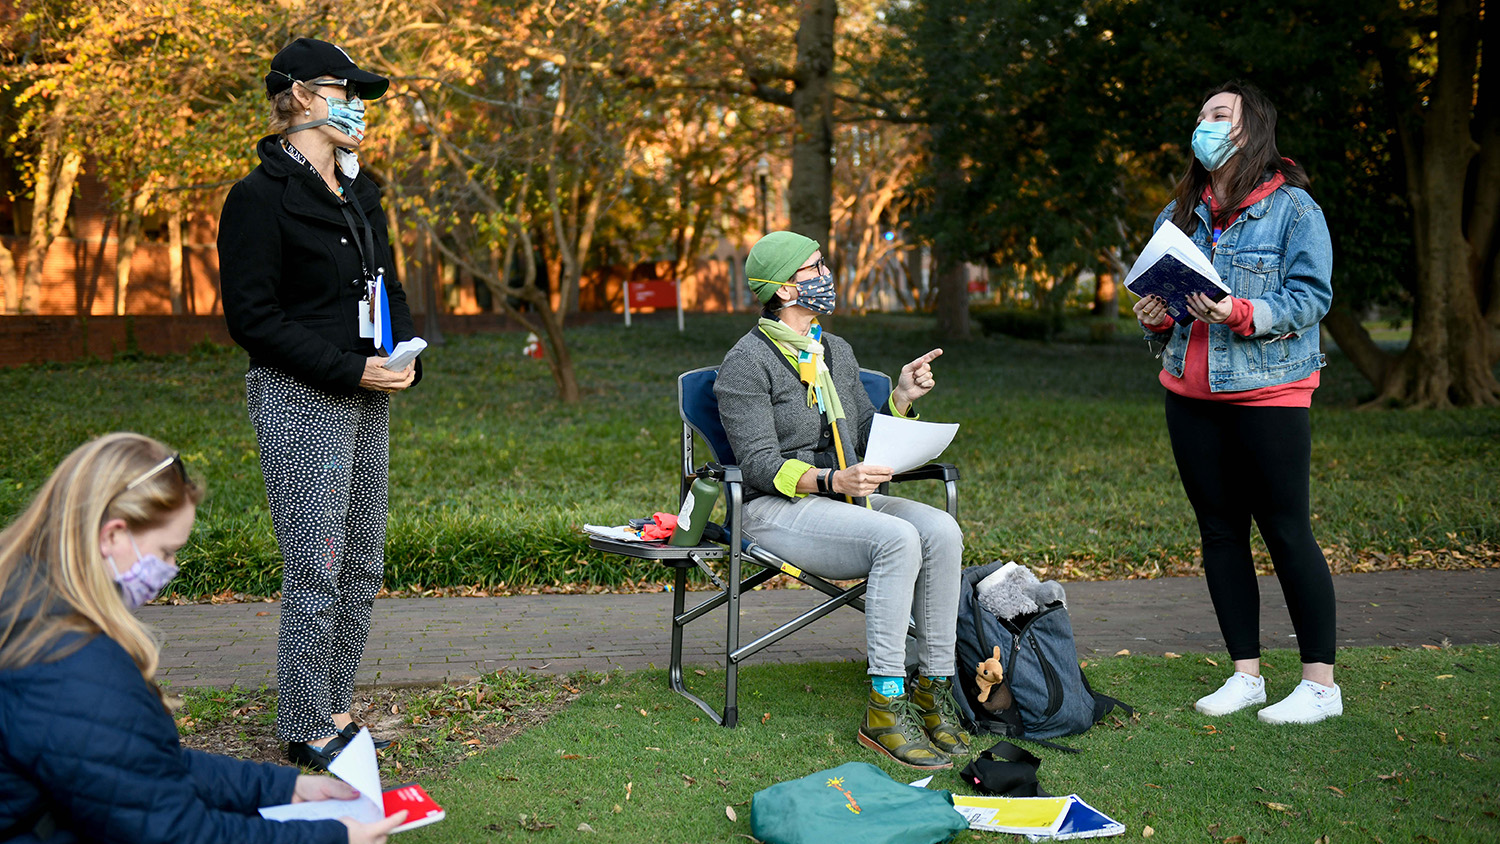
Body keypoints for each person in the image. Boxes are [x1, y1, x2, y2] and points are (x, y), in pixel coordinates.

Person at [0, 433, 408, 843]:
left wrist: (286, 789)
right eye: (165, 552)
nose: (171, 568)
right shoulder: (75, 664)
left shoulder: (28, 605)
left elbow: (138, 766)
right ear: (112, 536)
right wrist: (334, 838)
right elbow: (175, 832)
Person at [218, 37, 420, 770]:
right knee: (318, 564)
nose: (357, 105)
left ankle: (335, 702)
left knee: (363, 562)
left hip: (368, 393)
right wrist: (349, 369)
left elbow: (386, 288)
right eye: (345, 89)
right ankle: (304, 722)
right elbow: (253, 319)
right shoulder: (257, 197)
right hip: (301, 397)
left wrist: (402, 362)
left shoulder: (360, 190)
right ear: (301, 95)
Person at [714, 231, 967, 770]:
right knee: (898, 538)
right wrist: (833, 482)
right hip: (773, 510)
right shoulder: (745, 364)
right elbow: (758, 465)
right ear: (783, 289)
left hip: (845, 505)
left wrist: (901, 397)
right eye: (814, 267)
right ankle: (884, 707)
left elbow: (864, 432)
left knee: (942, 530)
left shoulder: (834, 349)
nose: (826, 274)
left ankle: (934, 688)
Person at [1133, 81, 1339, 724]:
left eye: (1219, 115)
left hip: (1269, 393)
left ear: (1251, 131)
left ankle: (1319, 685)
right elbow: (1170, 308)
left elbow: (1312, 298)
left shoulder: (1294, 210)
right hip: (1189, 394)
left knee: (1285, 531)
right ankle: (1245, 675)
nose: (1205, 125)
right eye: (1200, 115)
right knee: (1220, 533)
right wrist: (1155, 318)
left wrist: (1241, 311)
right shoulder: (1182, 212)